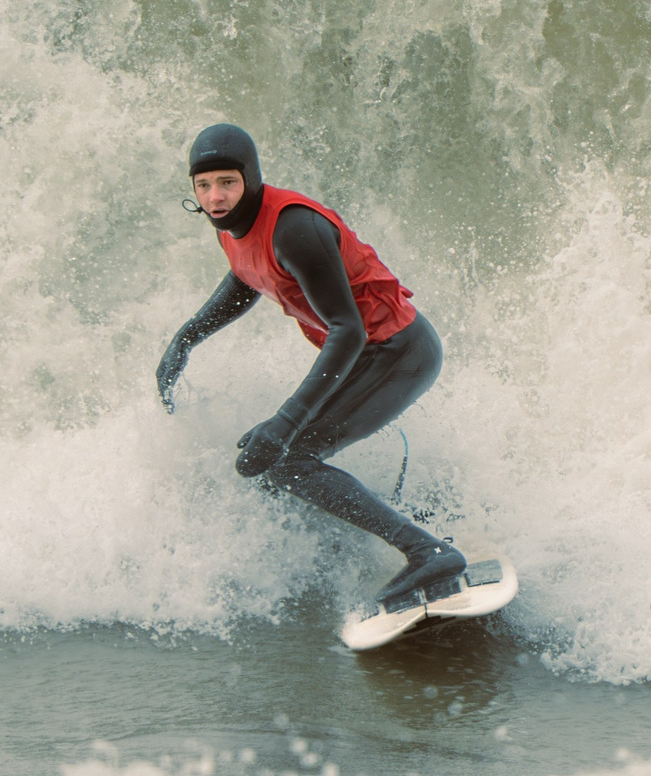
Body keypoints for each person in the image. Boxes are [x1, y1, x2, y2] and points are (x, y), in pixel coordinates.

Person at [156, 123, 468, 612]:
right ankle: (399, 526)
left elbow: (348, 330)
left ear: (252, 179)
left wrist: (285, 422)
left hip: (397, 353)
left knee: (289, 458)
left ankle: (429, 552)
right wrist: (186, 338)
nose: (215, 198)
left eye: (228, 183)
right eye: (203, 185)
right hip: (366, 357)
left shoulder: (296, 228)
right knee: (264, 460)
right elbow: (247, 276)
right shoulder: (233, 225)